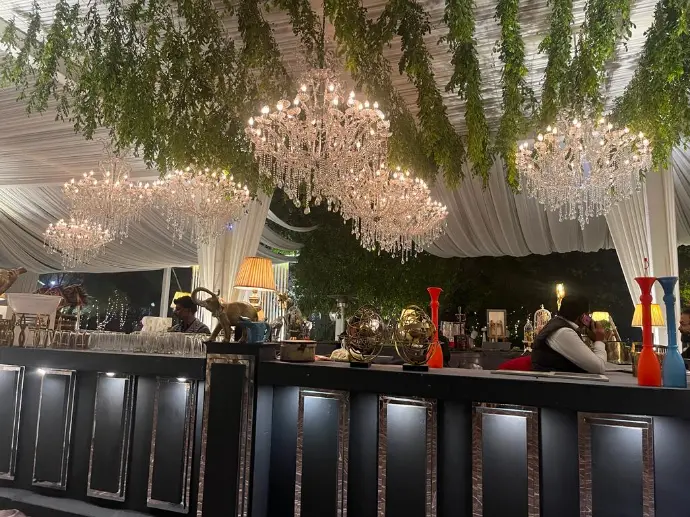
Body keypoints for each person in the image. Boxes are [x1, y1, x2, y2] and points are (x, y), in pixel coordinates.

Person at [531, 295, 607, 374]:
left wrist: (594, 339)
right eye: (589, 315)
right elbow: (599, 368)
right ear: (583, 317)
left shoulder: (559, 326)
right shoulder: (564, 332)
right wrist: (599, 339)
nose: (590, 319)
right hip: (555, 381)